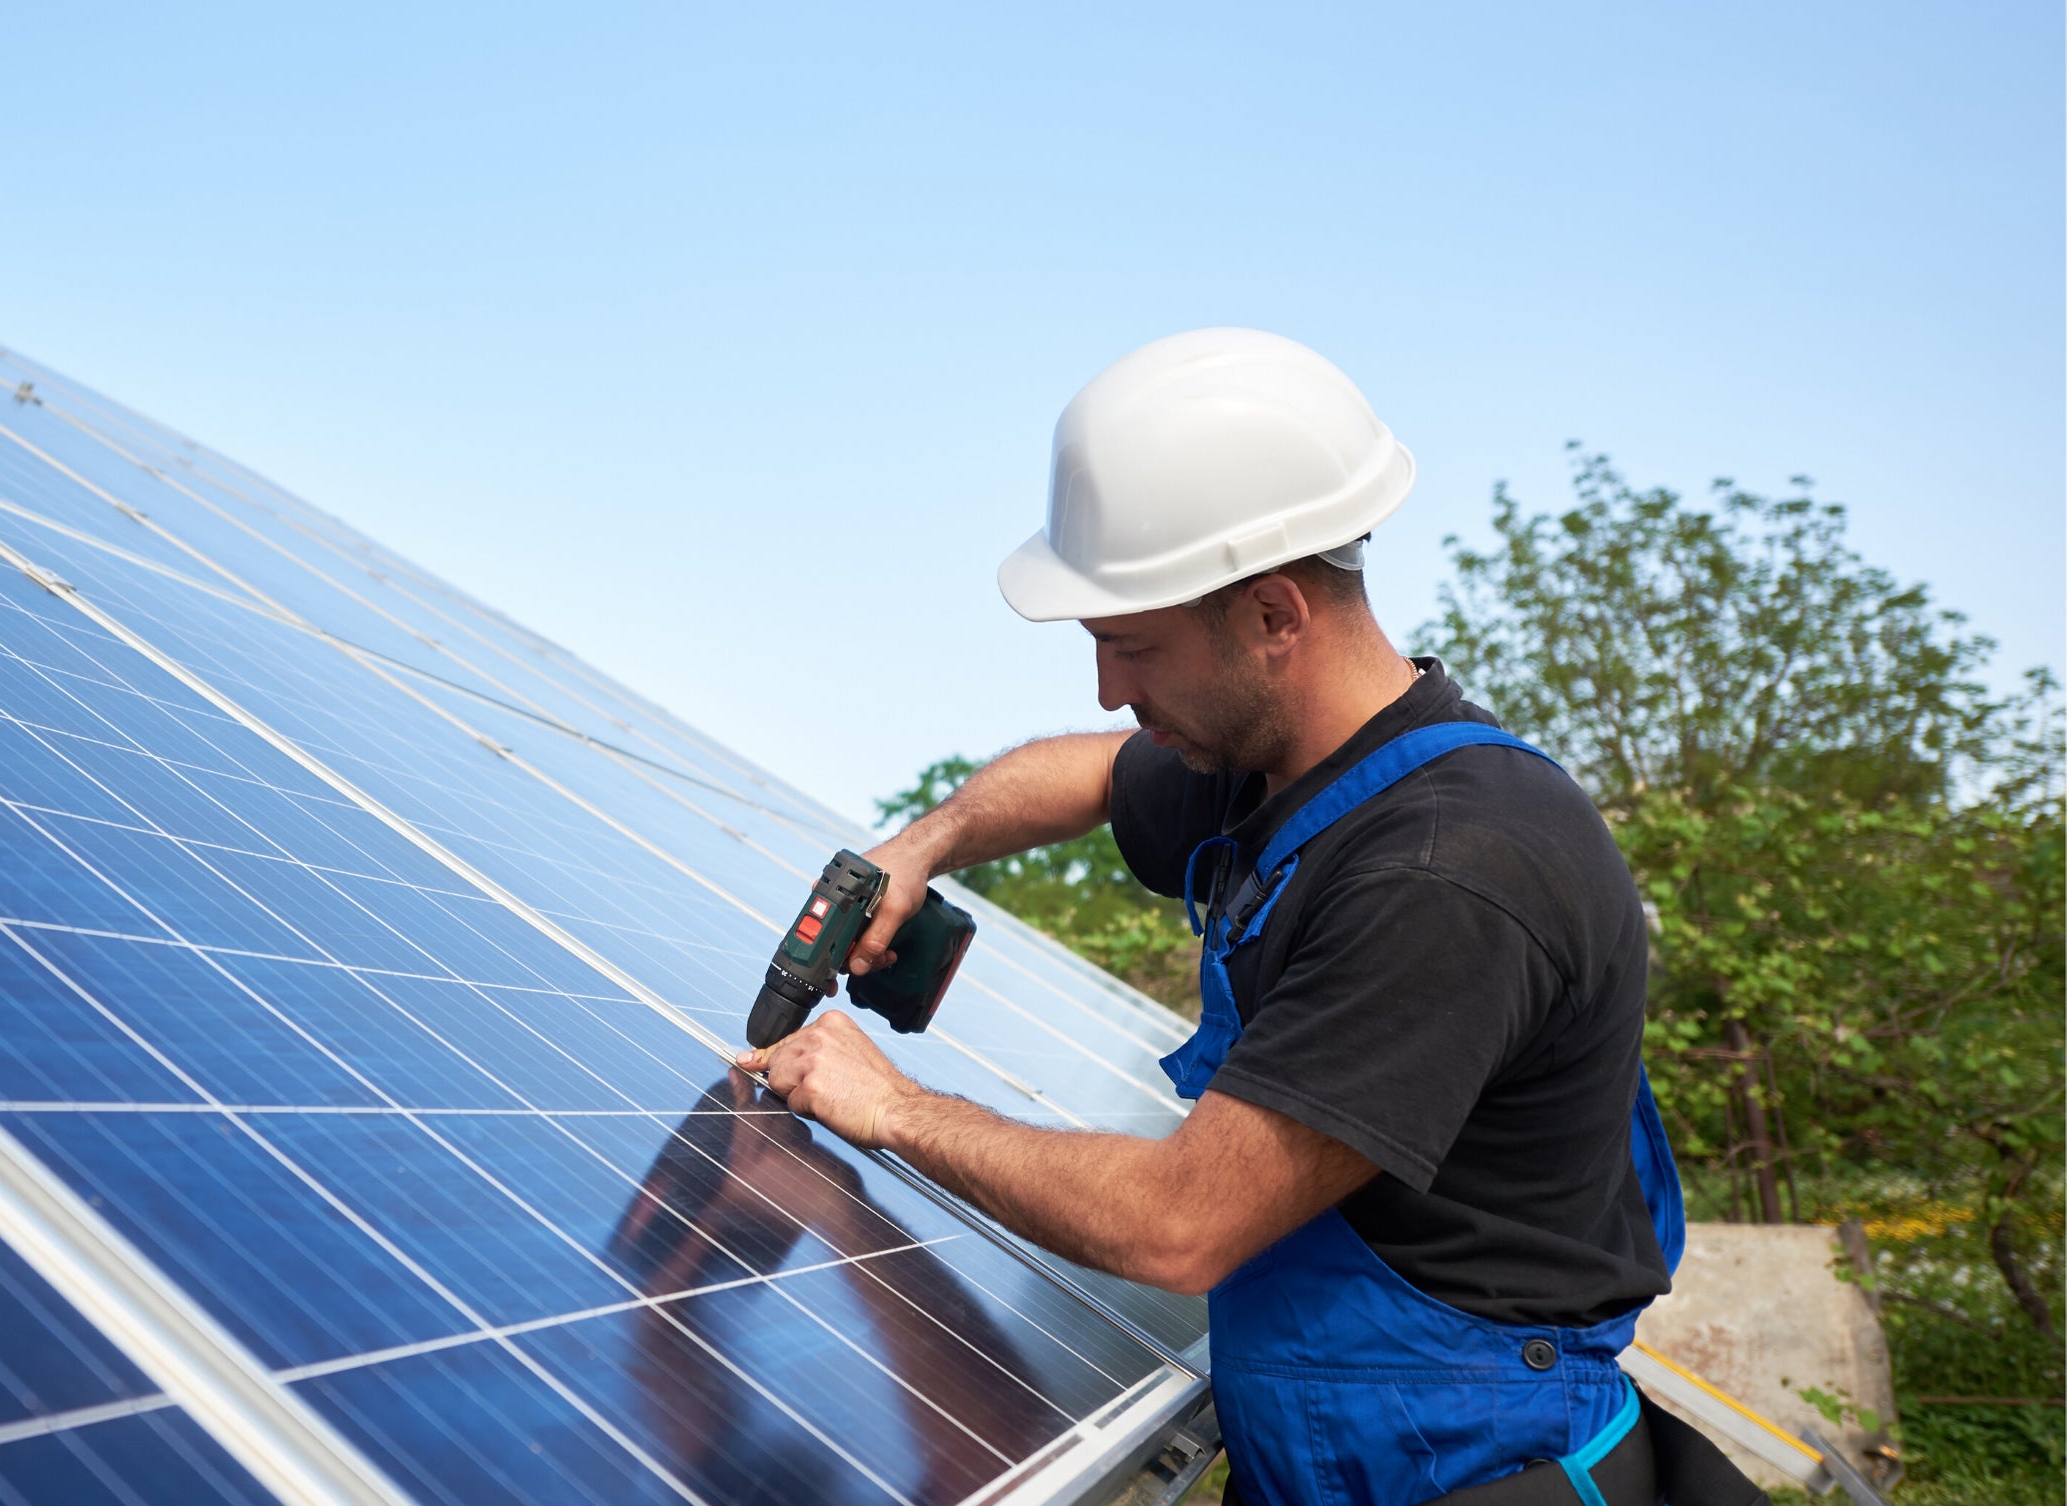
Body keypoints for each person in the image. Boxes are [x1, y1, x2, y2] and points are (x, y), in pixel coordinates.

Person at [735, 329, 1755, 1506]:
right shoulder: (1281, 770)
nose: (1111, 688)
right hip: (1335, 1459)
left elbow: (1183, 1227)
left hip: (1466, 1468)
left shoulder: (1445, 871)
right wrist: (924, 843)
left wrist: (893, 1107)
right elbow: (1093, 773)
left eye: (1130, 645)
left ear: (1274, 615)